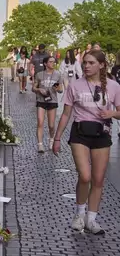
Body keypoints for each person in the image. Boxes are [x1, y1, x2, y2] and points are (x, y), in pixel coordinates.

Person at [53, 50, 120, 235]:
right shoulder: (75, 85)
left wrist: (112, 113)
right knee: (85, 176)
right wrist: (56, 138)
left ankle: (91, 219)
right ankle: (79, 214)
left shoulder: (113, 86)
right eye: (85, 63)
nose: (86, 66)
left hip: (102, 135)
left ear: (101, 65)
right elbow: (66, 114)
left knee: (98, 179)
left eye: (91, 63)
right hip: (80, 133)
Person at [33, 56, 63, 153]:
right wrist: (38, 89)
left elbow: (61, 90)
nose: (53, 63)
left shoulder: (58, 74)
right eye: (50, 62)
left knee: (51, 125)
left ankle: (51, 139)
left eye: (54, 62)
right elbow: (33, 88)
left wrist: (57, 89)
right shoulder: (39, 74)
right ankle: (40, 145)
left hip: (52, 101)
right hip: (41, 100)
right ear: (45, 64)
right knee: (40, 121)